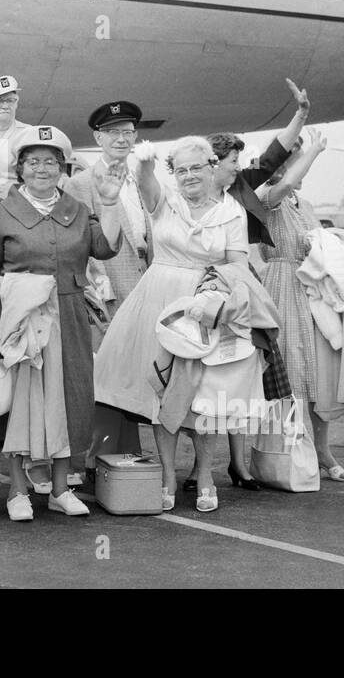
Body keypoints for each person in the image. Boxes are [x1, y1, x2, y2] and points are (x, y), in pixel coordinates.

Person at [94, 136, 267, 513]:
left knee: (207, 396)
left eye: (197, 167)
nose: (190, 175)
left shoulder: (233, 212)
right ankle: (168, 476)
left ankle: (205, 475)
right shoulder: (164, 201)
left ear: (212, 167)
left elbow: (239, 264)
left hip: (208, 302)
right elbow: (145, 182)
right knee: (163, 390)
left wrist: (215, 287)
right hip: (160, 298)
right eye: (182, 169)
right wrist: (144, 161)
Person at [0, 126, 123, 521]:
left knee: (70, 399)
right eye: (33, 161)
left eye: (51, 161)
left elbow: (105, 248)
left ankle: (59, 488)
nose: (42, 168)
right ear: (20, 168)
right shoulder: (1, 213)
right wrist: (11, 287)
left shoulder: (76, 208)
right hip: (23, 320)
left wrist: (108, 202)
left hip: (70, 317)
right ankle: (18, 491)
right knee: (25, 402)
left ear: (62, 167)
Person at [256, 130, 344, 481]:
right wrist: (313, 151)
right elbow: (282, 188)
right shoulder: (267, 196)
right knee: (290, 376)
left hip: (314, 292)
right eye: (294, 161)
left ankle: (322, 452)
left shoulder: (304, 206)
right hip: (282, 288)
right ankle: (292, 453)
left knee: (318, 377)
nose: (302, 170)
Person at [63, 101, 152, 469]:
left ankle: (121, 456)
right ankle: (92, 461)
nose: (121, 139)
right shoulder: (80, 183)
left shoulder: (142, 180)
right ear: (98, 137)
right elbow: (76, 242)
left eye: (127, 132)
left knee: (131, 376)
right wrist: (95, 293)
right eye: (113, 132)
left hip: (144, 291)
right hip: (105, 295)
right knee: (103, 376)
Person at [208, 78, 311, 249]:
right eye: (234, 161)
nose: (239, 167)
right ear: (214, 162)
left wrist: (301, 115)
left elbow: (268, 159)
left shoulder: (241, 182)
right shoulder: (191, 191)